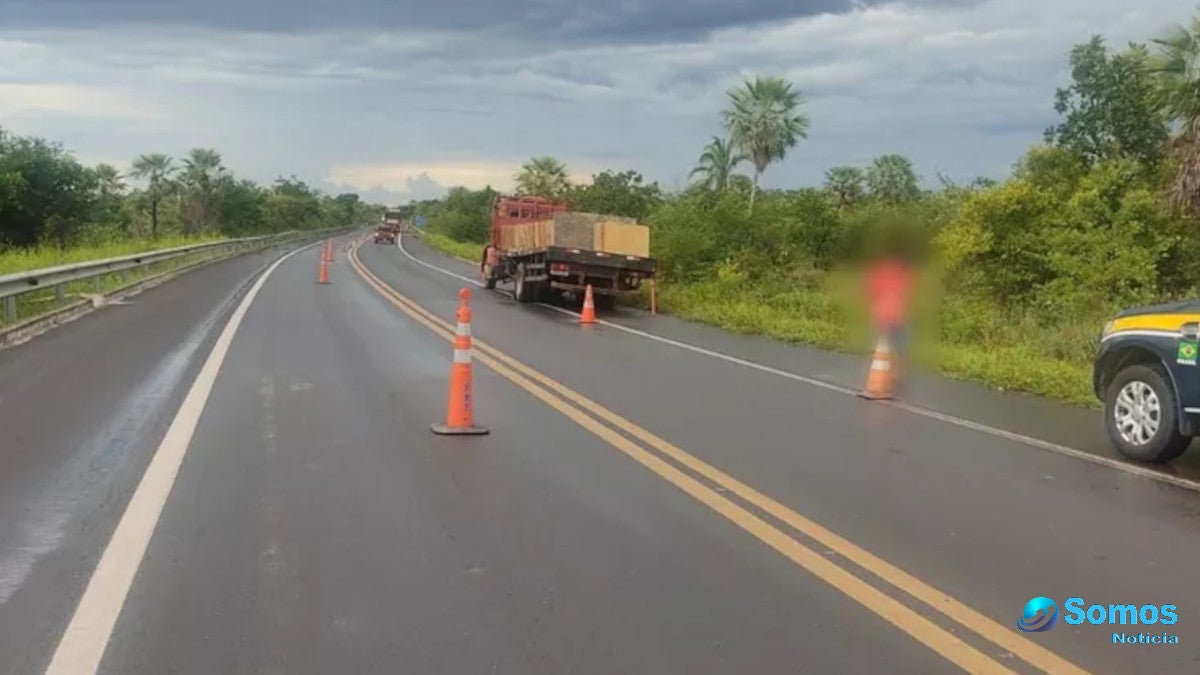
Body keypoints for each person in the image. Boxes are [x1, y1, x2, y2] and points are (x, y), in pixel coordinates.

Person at [864, 224, 918, 386]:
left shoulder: (882, 271)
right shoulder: (902, 273)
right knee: (899, 346)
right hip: (895, 315)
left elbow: (873, 292)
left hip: (887, 314)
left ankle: (890, 373)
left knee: (886, 345)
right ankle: (895, 375)